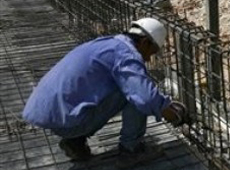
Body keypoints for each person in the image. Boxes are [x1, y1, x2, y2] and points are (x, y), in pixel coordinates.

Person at [22, 17, 186, 168]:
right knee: (134, 92)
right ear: (144, 42)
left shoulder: (106, 44)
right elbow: (145, 99)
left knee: (127, 85)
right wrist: (170, 112)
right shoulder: (126, 55)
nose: (149, 59)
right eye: (152, 52)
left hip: (50, 115)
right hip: (68, 121)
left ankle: (75, 141)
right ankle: (132, 150)